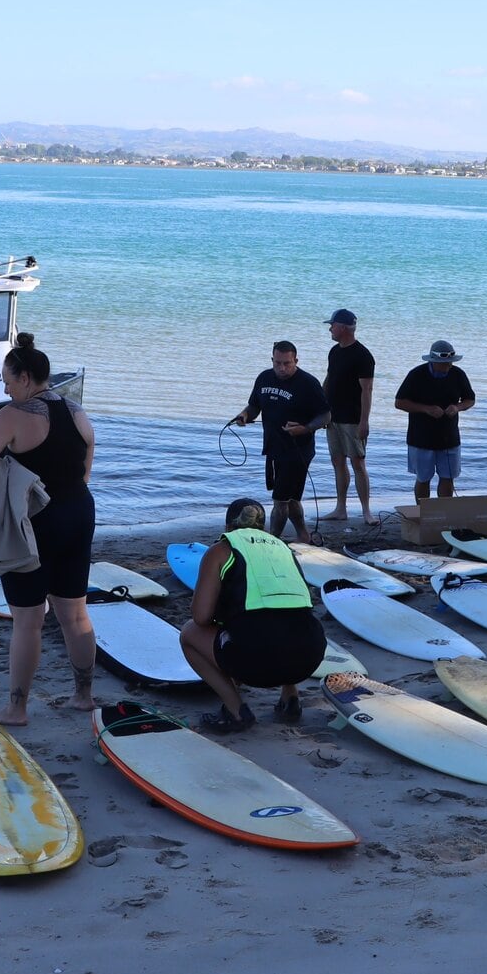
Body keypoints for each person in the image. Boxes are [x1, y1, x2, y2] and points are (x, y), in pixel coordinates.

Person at [0, 333, 99, 726]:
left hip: (35, 521)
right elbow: (88, 453)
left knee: (28, 619)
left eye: (6, 378)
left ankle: (16, 709)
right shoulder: (75, 409)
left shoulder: (13, 414)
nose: (4, 387)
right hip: (78, 512)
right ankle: (84, 696)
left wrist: (8, 484)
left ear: (23, 377)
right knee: (75, 614)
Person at [179, 498, 327, 732]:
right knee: (284, 616)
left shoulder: (221, 549)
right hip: (310, 657)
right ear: (264, 527)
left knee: (188, 634)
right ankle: (290, 698)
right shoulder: (284, 548)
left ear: (228, 527)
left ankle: (236, 711)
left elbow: (200, 617)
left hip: (257, 661)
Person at [231, 341, 329, 543]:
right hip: (273, 446)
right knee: (291, 498)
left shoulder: (308, 383)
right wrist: (244, 416)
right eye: (278, 363)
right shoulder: (264, 377)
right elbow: (254, 406)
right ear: (272, 360)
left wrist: (305, 428)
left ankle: (272, 540)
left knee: (280, 500)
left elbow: (326, 416)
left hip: (298, 450)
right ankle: (304, 535)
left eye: (287, 363)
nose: (282, 368)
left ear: (296, 361)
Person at [393, 339, 475, 499]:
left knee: (448, 477)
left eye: (450, 362)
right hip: (421, 438)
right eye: (444, 363)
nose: (448, 366)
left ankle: (443, 513)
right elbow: (400, 402)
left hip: (449, 437)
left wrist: (457, 407)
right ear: (433, 361)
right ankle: (424, 512)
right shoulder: (416, 375)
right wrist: (426, 409)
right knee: (423, 478)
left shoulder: (458, 374)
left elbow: (470, 399)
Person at [321, 307, 376, 526]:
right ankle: (340, 508)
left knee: (358, 463)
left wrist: (364, 421)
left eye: (332, 325)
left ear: (343, 328)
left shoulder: (363, 355)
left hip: (353, 419)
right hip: (333, 416)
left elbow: (367, 390)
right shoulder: (334, 352)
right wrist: (320, 407)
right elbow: (328, 379)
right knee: (337, 461)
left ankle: (366, 511)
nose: (330, 329)